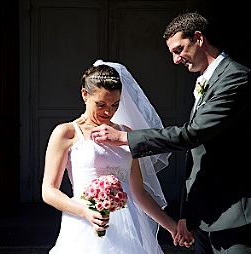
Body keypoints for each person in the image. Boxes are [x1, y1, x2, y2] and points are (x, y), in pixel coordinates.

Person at [90, 12, 251, 254]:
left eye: (179, 50)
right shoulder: (207, 81)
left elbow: (192, 135)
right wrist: (186, 214)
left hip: (239, 214)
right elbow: (196, 156)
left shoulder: (235, 77)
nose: (176, 60)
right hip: (206, 216)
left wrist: (126, 138)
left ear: (198, 38)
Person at [41, 61, 177, 253]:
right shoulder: (67, 133)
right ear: (84, 95)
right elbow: (48, 191)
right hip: (85, 222)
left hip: (129, 226)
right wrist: (84, 211)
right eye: (101, 104)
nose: (108, 112)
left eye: (115, 105)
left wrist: (171, 226)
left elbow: (138, 193)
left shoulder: (125, 133)